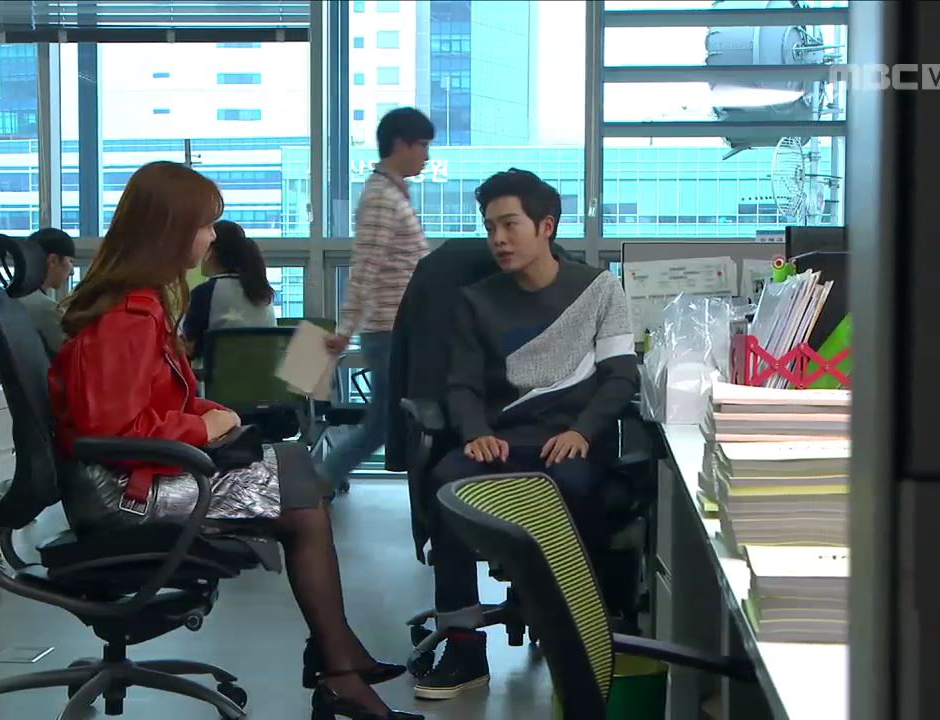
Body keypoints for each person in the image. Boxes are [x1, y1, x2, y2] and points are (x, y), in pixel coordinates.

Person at [48, 161, 422, 720]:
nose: (211, 237)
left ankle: (338, 657)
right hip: (125, 497)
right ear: (171, 229)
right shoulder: (127, 317)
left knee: (296, 472)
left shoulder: (142, 305)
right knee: (302, 499)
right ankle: (339, 666)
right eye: (204, 225)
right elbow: (116, 432)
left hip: (137, 477)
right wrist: (203, 427)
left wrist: (208, 411)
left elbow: (155, 400)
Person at [413, 169, 638, 702]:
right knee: (446, 485)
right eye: (490, 227)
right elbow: (461, 385)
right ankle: (464, 649)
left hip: (569, 442)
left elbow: (620, 376)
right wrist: (474, 432)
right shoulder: (475, 300)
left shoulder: (600, 290)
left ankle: (581, 646)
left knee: (578, 488)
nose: (498, 239)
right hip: (501, 442)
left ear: (546, 226)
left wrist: (583, 430)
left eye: (510, 225)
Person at [321, 108, 434, 495]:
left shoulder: (392, 192)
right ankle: (317, 484)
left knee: (387, 421)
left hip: (400, 328)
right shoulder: (381, 198)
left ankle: (320, 482)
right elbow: (365, 268)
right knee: (383, 424)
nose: (427, 156)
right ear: (400, 144)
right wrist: (344, 330)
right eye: (422, 145)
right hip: (388, 330)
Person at [183, 220, 277, 360]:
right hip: (266, 374)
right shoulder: (264, 293)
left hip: (218, 374)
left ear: (211, 251)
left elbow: (190, 348)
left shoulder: (205, 293)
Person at [18, 227, 75, 357]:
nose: (72, 272)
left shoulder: (14, 297)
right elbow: (74, 355)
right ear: (53, 260)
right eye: (70, 261)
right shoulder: (45, 307)